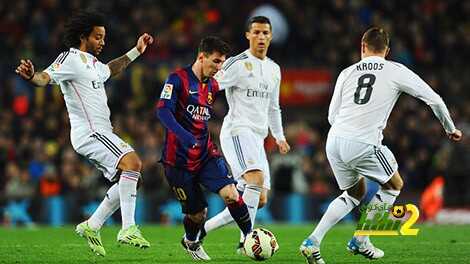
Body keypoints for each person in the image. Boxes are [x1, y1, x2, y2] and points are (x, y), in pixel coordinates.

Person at [299, 27, 463, 264]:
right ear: (387, 51)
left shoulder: (346, 72)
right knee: (394, 185)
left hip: (334, 141)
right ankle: (362, 239)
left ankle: (312, 241)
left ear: (362, 46)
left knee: (354, 193)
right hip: (363, 141)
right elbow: (434, 99)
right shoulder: (395, 69)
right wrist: (450, 128)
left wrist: (347, 132)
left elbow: (331, 115)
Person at [15, 10, 154, 256]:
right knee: (133, 162)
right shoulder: (70, 58)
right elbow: (45, 77)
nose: (102, 42)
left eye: (103, 37)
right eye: (98, 37)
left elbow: (111, 69)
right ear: (83, 36)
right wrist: (31, 77)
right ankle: (128, 227)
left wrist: (136, 51)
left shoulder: (93, 63)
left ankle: (92, 225)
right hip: (89, 132)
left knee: (131, 179)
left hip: (102, 131)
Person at [156, 36, 252, 261]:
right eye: (216, 62)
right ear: (201, 57)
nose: (219, 68)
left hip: (206, 154)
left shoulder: (213, 84)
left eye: (222, 63)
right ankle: (191, 241)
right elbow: (162, 111)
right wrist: (184, 135)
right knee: (198, 214)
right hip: (177, 161)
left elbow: (233, 80)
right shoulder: (177, 79)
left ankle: (250, 236)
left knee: (231, 193)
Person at [201, 15, 290, 253]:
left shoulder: (274, 69)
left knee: (259, 199)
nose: (261, 37)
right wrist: (197, 112)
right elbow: (211, 83)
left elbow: (274, 106)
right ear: (248, 35)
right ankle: (247, 239)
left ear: (271, 36)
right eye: (257, 32)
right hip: (238, 131)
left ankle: (201, 231)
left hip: (258, 138)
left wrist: (279, 136)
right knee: (255, 181)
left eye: (265, 33)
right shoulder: (237, 63)